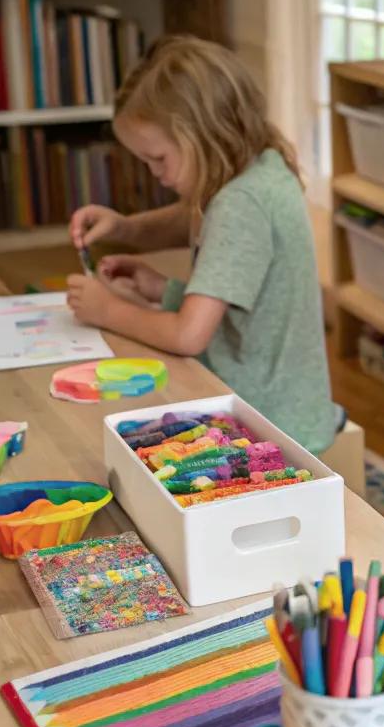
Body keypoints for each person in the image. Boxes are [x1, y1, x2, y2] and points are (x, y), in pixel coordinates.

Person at [66, 35, 336, 455]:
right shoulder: (257, 166)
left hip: (268, 428)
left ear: (202, 135)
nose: (154, 172)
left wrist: (108, 309)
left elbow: (189, 336)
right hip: (283, 402)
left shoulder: (240, 202)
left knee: (113, 434)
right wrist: (126, 231)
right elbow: (201, 228)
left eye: (158, 158)